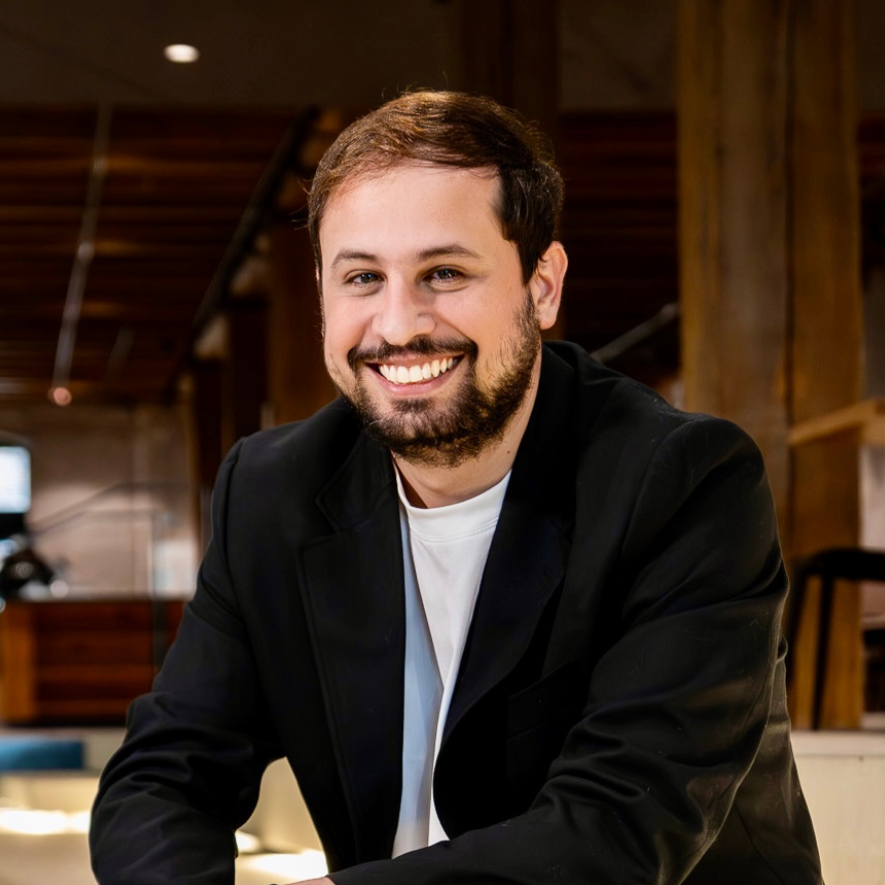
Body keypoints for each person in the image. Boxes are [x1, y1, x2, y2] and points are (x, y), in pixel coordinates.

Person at [90, 90, 822, 885]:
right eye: (362, 277)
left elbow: (613, 833)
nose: (398, 324)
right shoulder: (272, 491)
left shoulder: (681, 483)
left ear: (541, 286)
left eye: (443, 271)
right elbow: (160, 779)